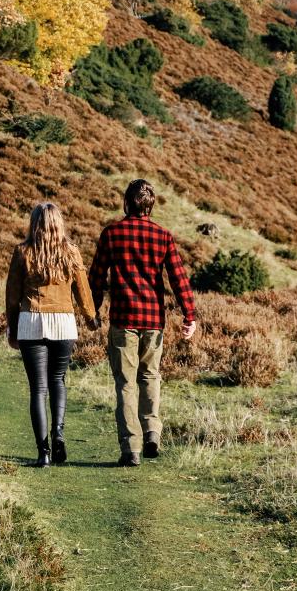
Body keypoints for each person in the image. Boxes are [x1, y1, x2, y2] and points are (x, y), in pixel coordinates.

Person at [89, 179, 197, 467]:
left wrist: (93, 311)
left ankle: (131, 448)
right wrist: (190, 315)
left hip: (123, 319)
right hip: (153, 320)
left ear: (127, 202)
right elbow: (178, 278)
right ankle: (152, 432)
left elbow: (96, 277)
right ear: (151, 205)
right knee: (150, 376)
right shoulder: (163, 236)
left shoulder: (111, 234)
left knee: (125, 383)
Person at [5, 202, 98, 468]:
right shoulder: (71, 252)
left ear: (33, 224)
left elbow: (12, 296)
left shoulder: (22, 252)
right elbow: (83, 289)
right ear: (59, 224)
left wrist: (11, 327)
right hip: (64, 322)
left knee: (38, 389)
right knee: (58, 380)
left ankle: (43, 453)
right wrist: (90, 317)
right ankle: (58, 432)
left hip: (31, 321)